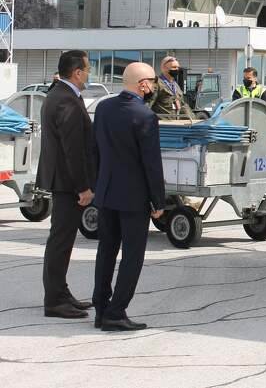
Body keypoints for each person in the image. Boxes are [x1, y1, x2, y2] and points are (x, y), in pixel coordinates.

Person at [92, 62, 166, 332]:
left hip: (107, 192)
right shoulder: (145, 116)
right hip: (133, 198)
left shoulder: (103, 108)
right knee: (132, 256)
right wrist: (158, 201)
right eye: (153, 82)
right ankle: (116, 312)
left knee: (106, 251)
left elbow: (94, 150)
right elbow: (151, 163)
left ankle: (101, 309)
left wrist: (97, 185)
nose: (154, 86)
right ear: (143, 85)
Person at [38, 50, 96, 319]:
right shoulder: (65, 99)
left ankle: (61, 292)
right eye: (88, 69)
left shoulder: (62, 94)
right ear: (77, 73)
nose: (89, 74)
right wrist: (82, 187)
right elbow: (72, 149)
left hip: (63, 180)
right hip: (67, 182)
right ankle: (54, 300)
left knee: (62, 240)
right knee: (60, 242)